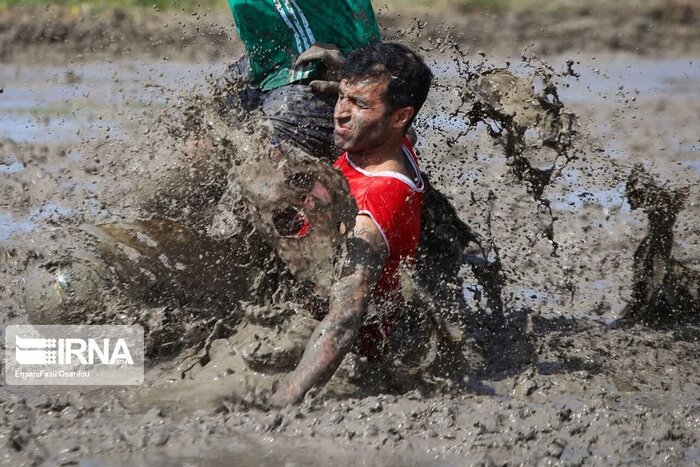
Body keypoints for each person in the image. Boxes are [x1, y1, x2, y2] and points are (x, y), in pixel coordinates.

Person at [270, 42, 433, 406]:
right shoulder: (389, 142)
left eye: (358, 105)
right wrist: (348, 79)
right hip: (304, 277)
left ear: (399, 117)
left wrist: (286, 399)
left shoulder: (374, 206)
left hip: (329, 343)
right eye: (342, 97)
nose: (339, 113)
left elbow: (344, 318)